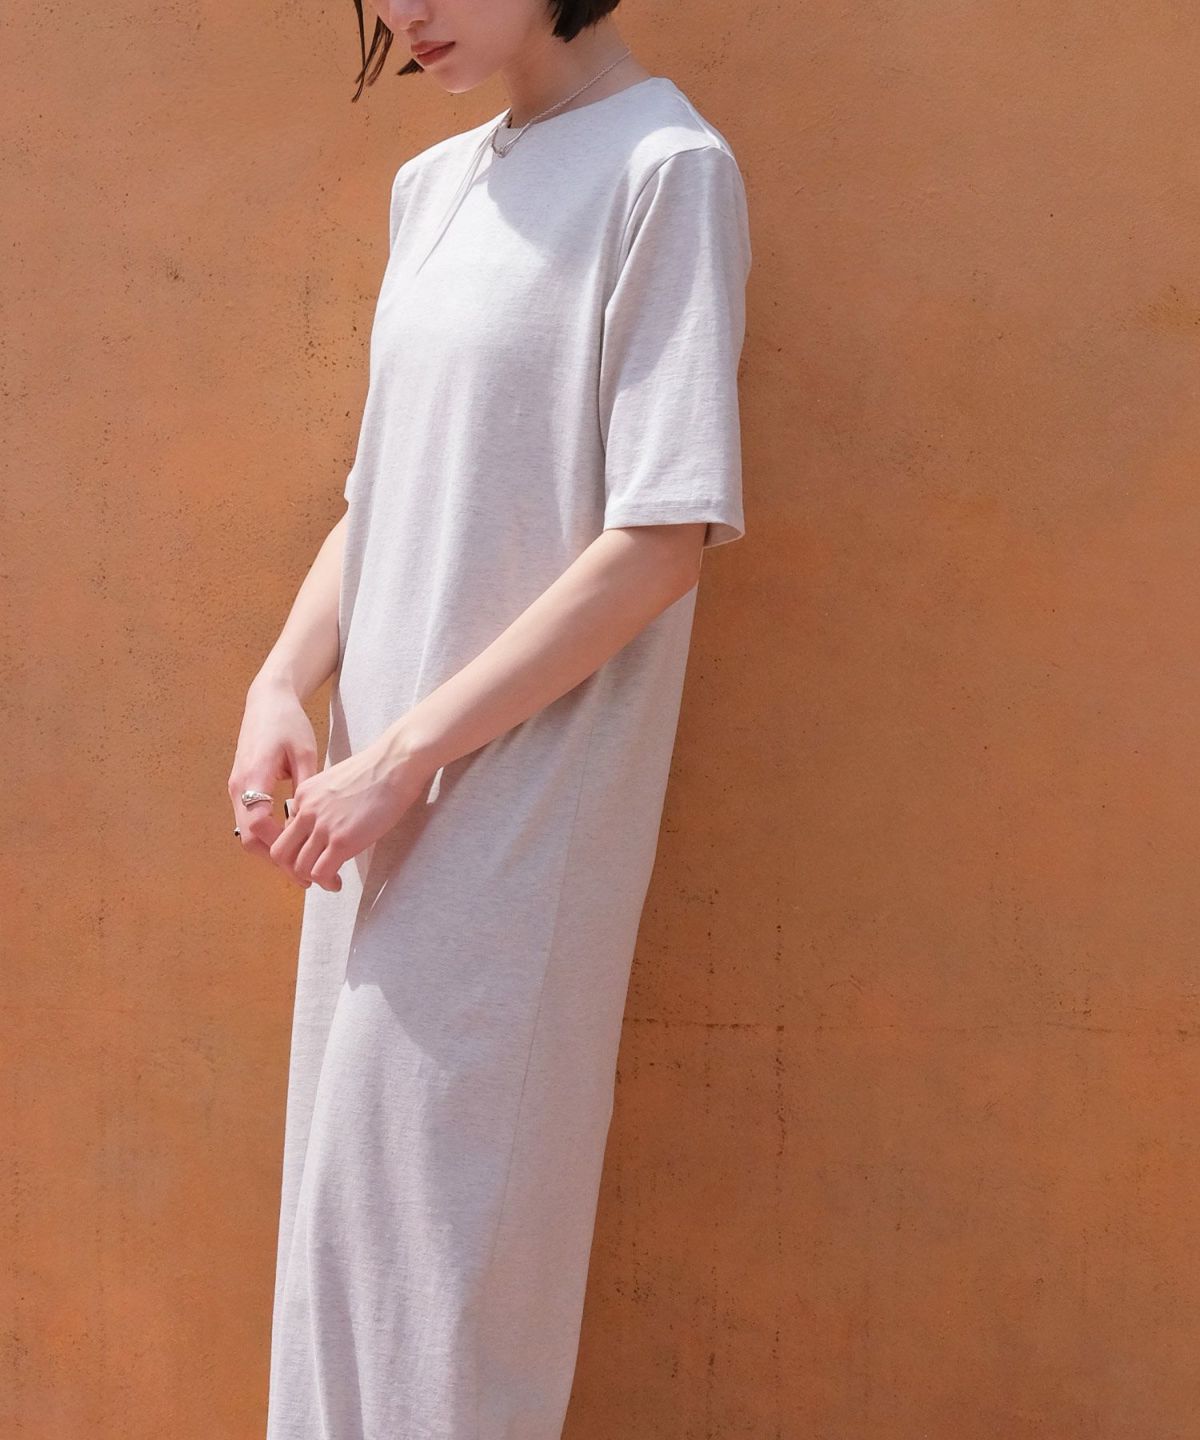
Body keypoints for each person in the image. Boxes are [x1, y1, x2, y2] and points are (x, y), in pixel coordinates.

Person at [227, 0, 752, 1434]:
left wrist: (405, 756)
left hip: (517, 806)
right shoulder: (434, 184)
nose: (406, 10)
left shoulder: (664, 169)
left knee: (444, 1264)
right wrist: (283, 681)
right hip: (372, 807)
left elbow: (660, 539)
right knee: (344, 1245)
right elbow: (378, 494)